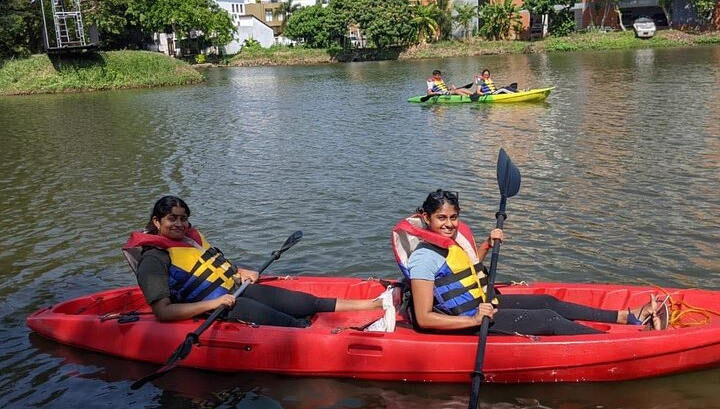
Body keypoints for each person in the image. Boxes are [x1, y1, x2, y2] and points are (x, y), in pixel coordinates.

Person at [391, 189, 669, 336]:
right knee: (547, 319)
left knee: (549, 302)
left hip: (480, 305)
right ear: (426, 218)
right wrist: (475, 319)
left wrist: (487, 244)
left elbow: (468, 269)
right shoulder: (423, 259)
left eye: (453, 218)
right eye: (442, 218)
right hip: (466, 322)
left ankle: (626, 316)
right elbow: (426, 319)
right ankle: (622, 341)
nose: (449, 224)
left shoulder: (451, 242)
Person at [124, 195, 389, 328]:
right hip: (214, 308)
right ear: (157, 222)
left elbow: (214, 266)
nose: (179, 224)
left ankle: (375, 304)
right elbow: (163, 312)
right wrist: (214, 302)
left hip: (236, 290)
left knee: (305, 303)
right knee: (291, 323)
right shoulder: (153, 260)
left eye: (183, 218)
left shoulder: (190, 240)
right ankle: (355, 332)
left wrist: (240, 271)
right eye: (172, 219)